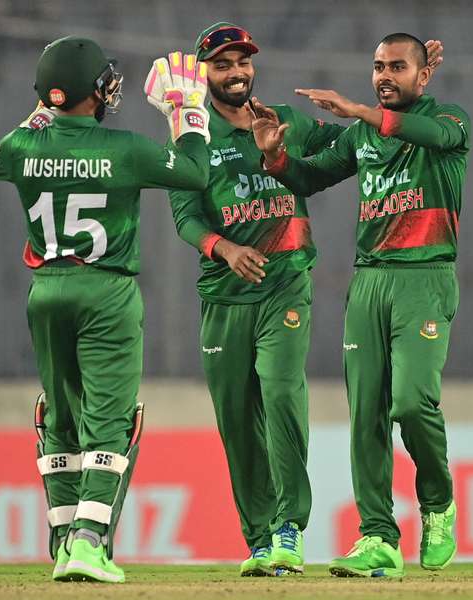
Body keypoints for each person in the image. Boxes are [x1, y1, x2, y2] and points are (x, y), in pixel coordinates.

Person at [168, 23, 443, 577]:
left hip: (286, 281)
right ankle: (261, 540)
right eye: (222, 64)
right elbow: (185, 218)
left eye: (243, 62)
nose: (237, 72)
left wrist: (415, 88)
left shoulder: (288, 121)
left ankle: (289, 526)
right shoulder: (190, 143)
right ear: (204, 74)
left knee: (280, 393)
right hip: (225, 294)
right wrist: (223, 249)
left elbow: (355, 144)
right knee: (237, 419)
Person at [0, 36, 211, 583]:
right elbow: (196, 172)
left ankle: (63, 542)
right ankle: (89, 541)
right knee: (109, 421)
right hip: (106, 293)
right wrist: (189, 113)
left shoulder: (20, 150)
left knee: (60, 417)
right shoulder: (124, 148)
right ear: (92, 91)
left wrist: (41, 114)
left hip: (46, 293)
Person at [251, 32, 469, 577]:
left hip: (425, 278)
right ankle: (378, 537)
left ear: (424, 76)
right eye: (377, 67)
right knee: (366, 414)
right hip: (369, 282)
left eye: (397, 67)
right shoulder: (362, 137)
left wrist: (358, 110)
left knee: (413, 404)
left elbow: (425, 132)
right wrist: (275, 156)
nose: (384, 76)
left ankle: (438, 502)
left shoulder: (451, 122)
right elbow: (313, 175)